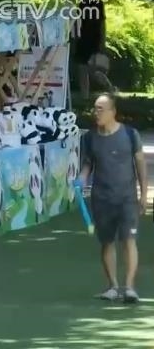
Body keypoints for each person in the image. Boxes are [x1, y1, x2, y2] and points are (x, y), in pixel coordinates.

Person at [80, 93, 147, 303]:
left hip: (127, 198)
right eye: (95, 108)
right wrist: (81, 178)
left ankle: (129, 287)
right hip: (102, 198)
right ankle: (113, 286)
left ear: (113, 112)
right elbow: (88, 164)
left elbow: (140, 165)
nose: (96, 112)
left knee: (129, 240)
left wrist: (143, 194)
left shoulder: (130, 134)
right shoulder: (89, 138)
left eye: (100, 109)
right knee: (107, 242)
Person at [73, 0, 114, 99]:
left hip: (94, 39)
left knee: (95, 71)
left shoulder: (97, 2)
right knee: (82, 69)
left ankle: (110, 88)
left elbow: (102, 22)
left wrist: (103, 41)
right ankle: (84, 96)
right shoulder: (81, 4)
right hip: (82, 39)